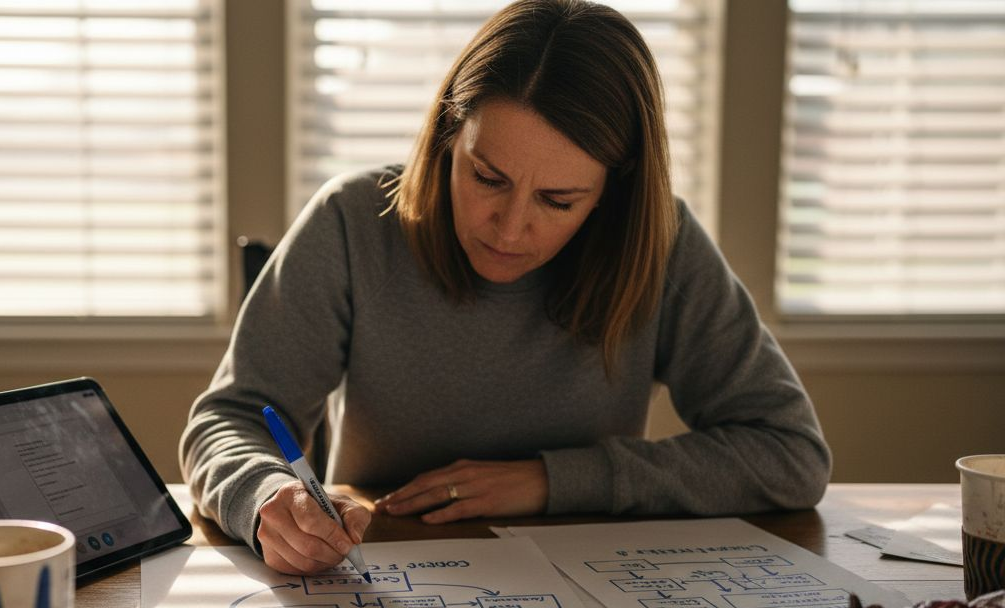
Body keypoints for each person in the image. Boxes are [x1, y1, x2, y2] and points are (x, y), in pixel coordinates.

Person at [180, 0, 831, 577]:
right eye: (488, 177)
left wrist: (553, 482)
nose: (511, 228)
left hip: (591, 594)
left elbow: (789, 452)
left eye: (558, 199)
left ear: (613, 193)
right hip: (380, 585)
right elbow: (229, 420)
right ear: (446, 139)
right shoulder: (354, 222)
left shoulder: (661, 244)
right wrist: (266, 496)